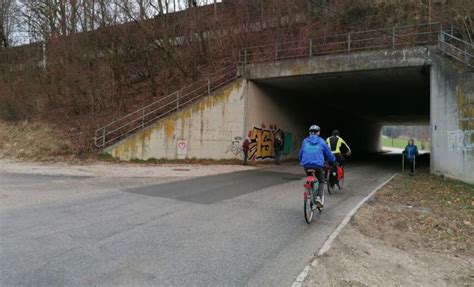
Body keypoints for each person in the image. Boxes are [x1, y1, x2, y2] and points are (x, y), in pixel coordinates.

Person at [299, 125, 336, 209]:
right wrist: (333, 161)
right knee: (322, 180)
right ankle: (318, 197)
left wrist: (301, 160)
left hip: (306, 165)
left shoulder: (305, 141)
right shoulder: (321, 141)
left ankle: (309, 190)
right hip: (317, 165)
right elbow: (329, 154)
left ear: (309, 132)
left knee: (309, 176)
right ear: (318, 132)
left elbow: (300, 153)